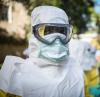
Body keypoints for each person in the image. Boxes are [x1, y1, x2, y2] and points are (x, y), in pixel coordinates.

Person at [0, 6, 84, 97]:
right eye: (48, 31)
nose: (57, 40)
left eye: (62, 31)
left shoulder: (76, 70)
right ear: (34, 34)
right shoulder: (13, 74)